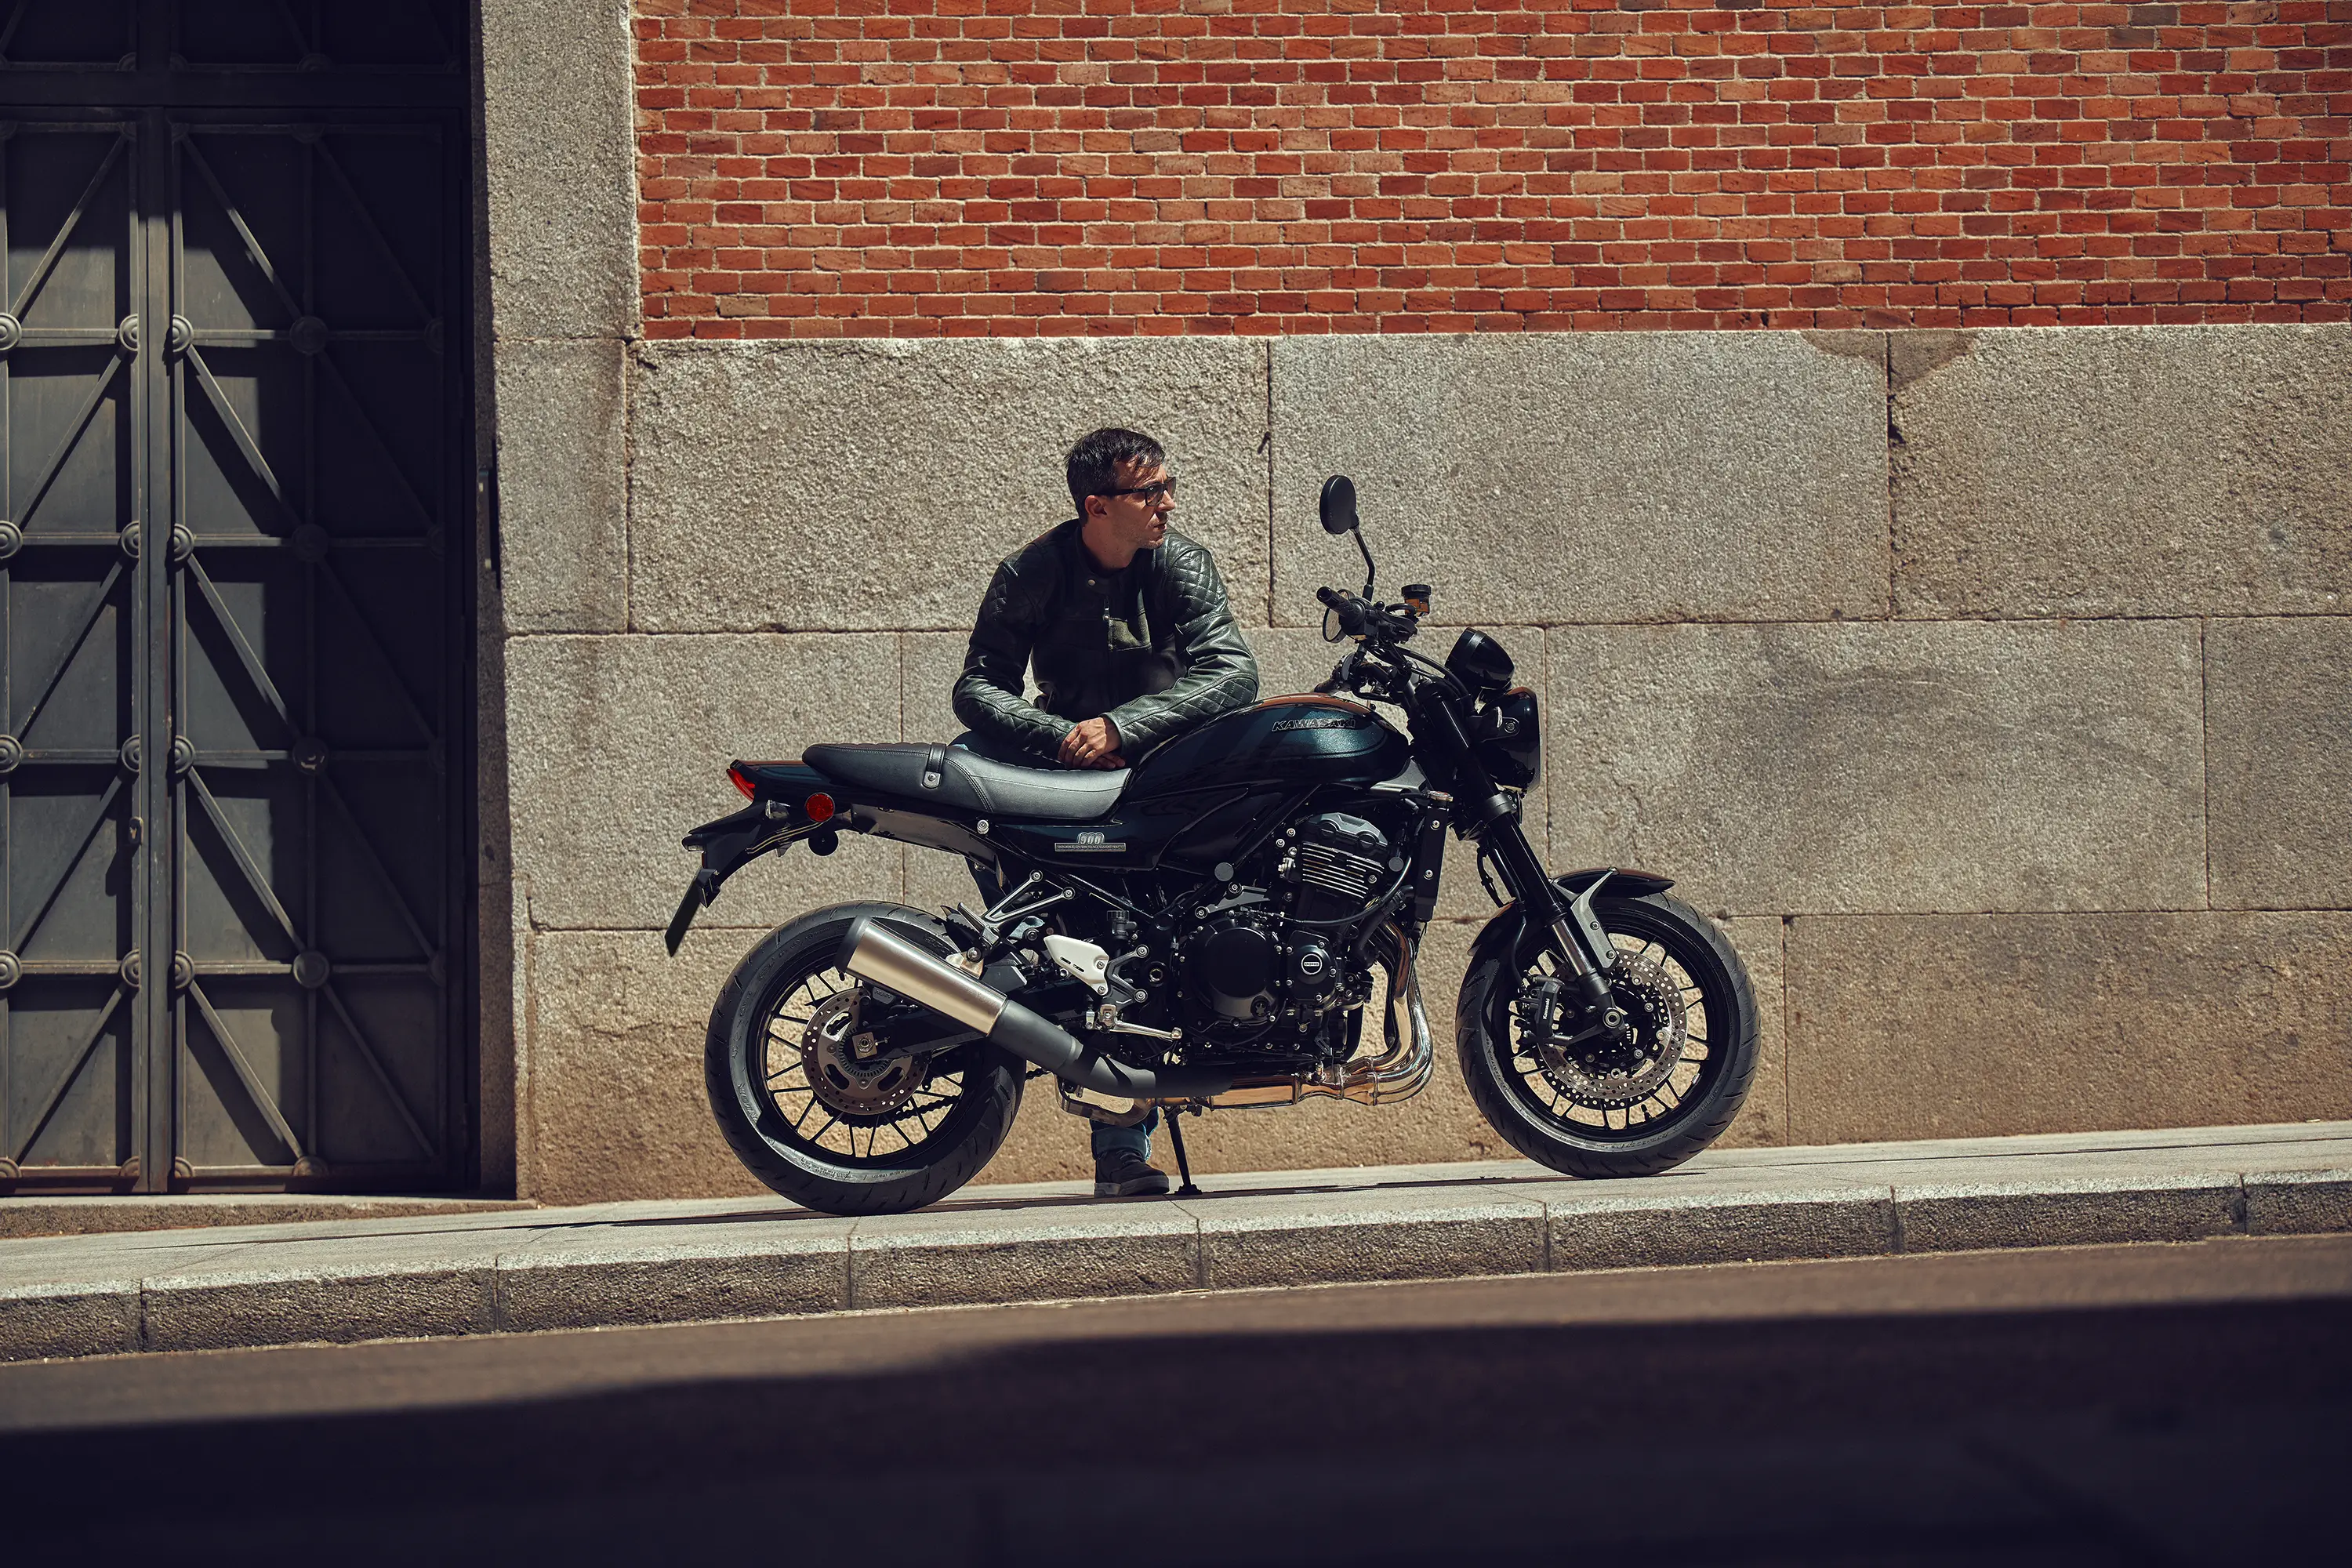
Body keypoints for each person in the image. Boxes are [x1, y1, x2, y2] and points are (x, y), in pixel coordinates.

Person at [952, 426, 1260, 1196]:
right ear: (1098, 506)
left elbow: (1233, 671)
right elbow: (978, 686)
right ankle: (1018, 958)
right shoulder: (1031, 570)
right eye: (1149, 491)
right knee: (969, 767)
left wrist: (1127, 728)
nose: (1168, 503)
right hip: (1063, 778)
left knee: (1141, 949)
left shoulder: (1182, 564)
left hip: (1164, 776)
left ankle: (1123, 1146)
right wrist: (1060, 739)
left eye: (1167, 486)